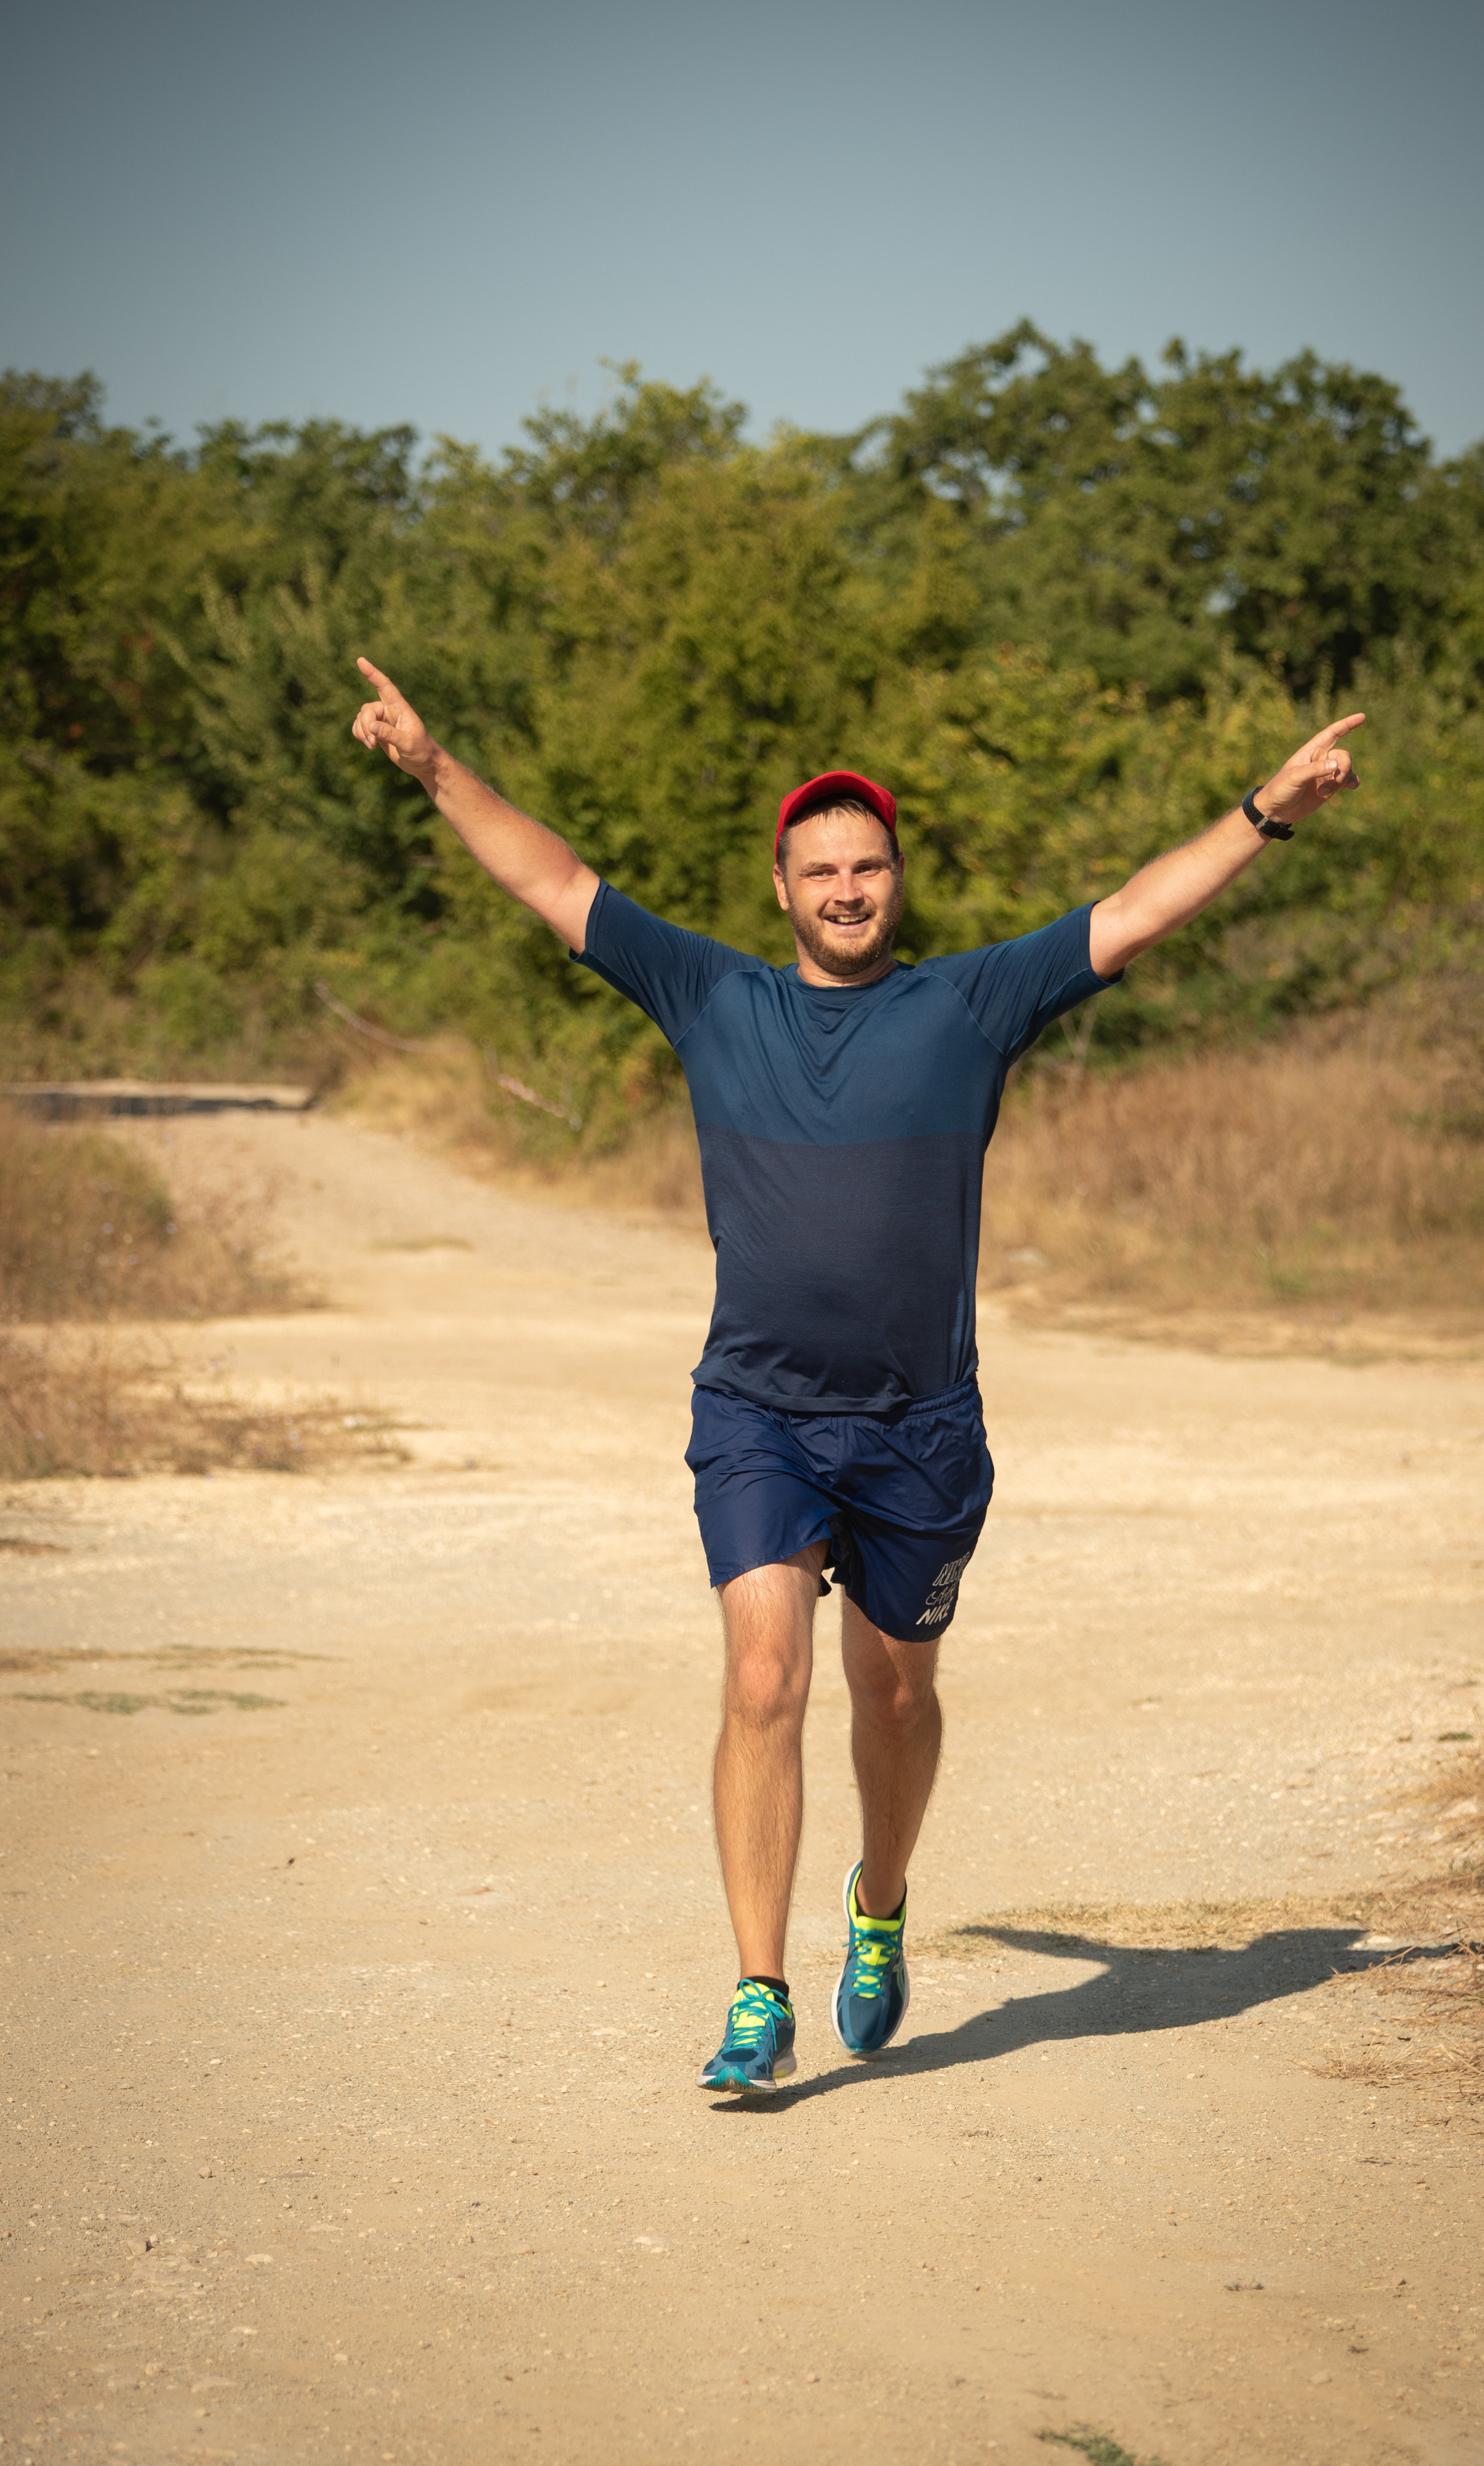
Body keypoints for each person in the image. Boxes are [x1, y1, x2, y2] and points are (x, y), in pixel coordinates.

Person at [349, 656, 1362, 2094]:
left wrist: (1266, 808)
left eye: (866, 863)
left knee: (890, 1695)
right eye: (818, 867)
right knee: (761, 1673)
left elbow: (1133, 909)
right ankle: (755, 1985)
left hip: (920, 1426)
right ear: (780, 887)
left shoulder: (972, 1003)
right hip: (756, 1411)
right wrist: (435, 766)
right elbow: (555, 880)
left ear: (896, 878)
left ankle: (876, 1901)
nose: (844, 887)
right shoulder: (707, 993)